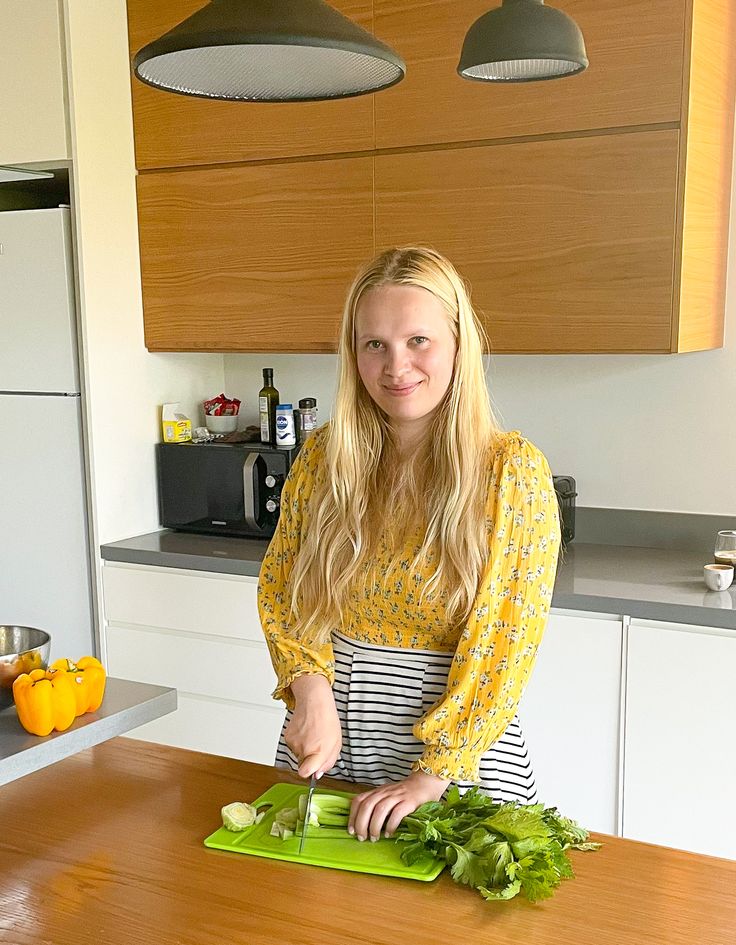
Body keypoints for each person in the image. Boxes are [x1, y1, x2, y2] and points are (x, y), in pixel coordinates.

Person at [258, 246, 561, 844]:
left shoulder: (509, 473)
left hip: (455, 776)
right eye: (375, 344)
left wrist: (432, 775)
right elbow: (285, 590)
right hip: (334, 754)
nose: (397, 366)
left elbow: (504, 643)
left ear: (457, 344)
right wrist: (310, 693)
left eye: (418, 340)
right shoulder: (324, 460)